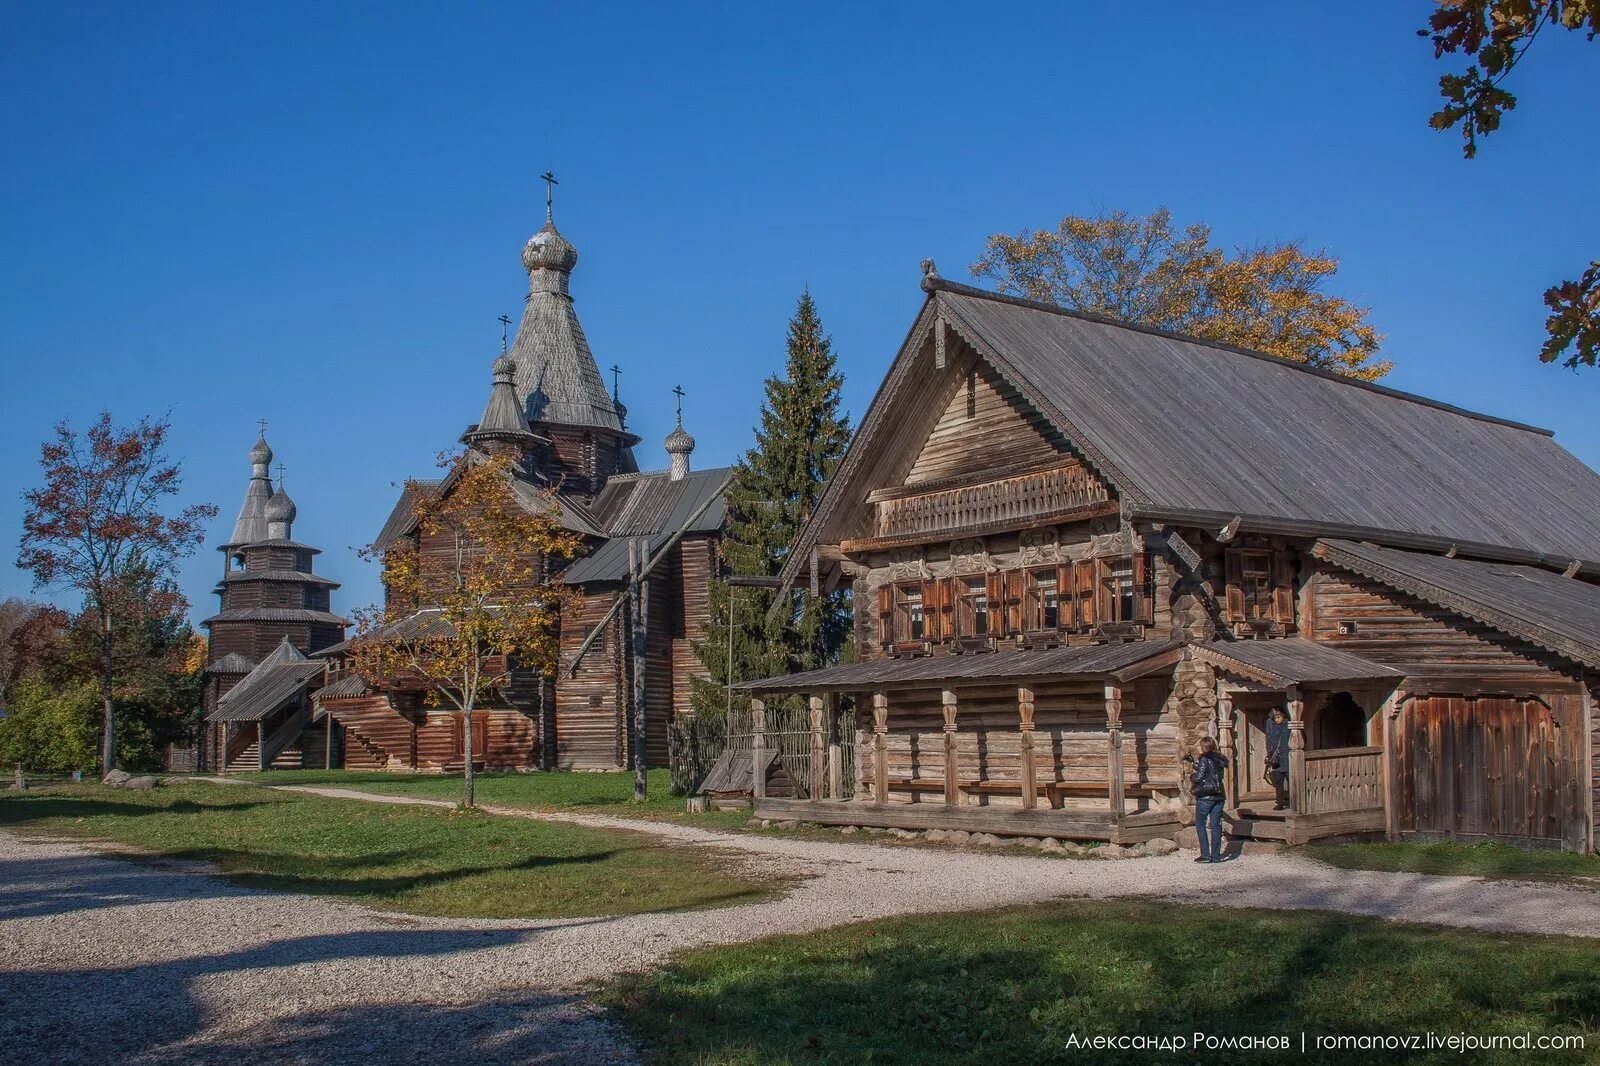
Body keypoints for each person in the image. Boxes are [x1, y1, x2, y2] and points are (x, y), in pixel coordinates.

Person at [1187, 736, 1229, 863]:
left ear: (1203, 746)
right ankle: (1216, 856)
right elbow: (1212, 771)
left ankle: (1205, 855)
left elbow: (1200, 777)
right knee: (1216, 825)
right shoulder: (1220, 758)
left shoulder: (1204, 757)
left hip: (1206, 796)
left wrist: (1192, 777)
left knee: (1200, 823)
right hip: (1219, 795)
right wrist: (1194, 762)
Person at [1264, 707, 1290, 810]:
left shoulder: (1289, 724)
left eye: (1279, 717)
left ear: (1283, 716)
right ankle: (1280, 803)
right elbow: (1269, 741)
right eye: (1275, 717)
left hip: (1288, 756)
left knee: (1291, 782)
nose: (1277, 719)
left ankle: (1294, 802)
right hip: (1276, 759)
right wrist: (1269, 755)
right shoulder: (1270, 725)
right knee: (1278, 783)